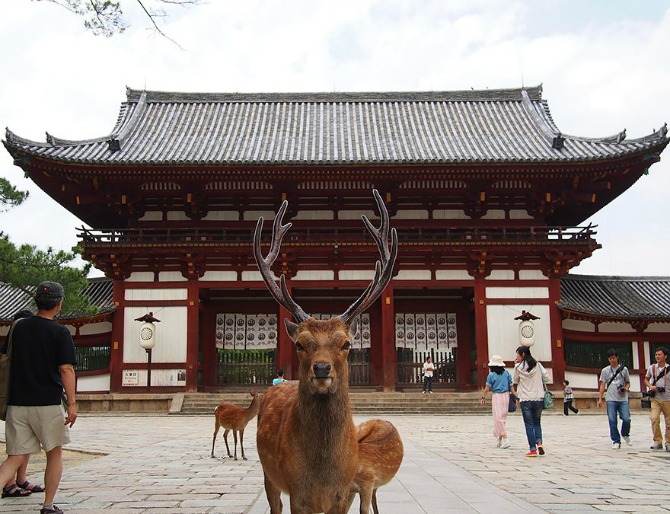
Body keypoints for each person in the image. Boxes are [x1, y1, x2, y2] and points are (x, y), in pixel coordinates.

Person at [0, 281, 78, 514]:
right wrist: (72, 404)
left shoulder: (18, 327)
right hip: (47, 402)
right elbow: (66, 369)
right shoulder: (59, 332)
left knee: (15, 457)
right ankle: (47, 505)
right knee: (54, 453)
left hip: (17, 402)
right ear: (59, 303)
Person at [2, 309, 46, 499]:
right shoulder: (13, 343)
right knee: (17, 446)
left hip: (23, 398)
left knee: (24, 444)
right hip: (17, 399)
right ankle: (9, 483)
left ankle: (21, 478)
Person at [513, 345, 549, 457]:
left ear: (523, 355)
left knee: (529, 424)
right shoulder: (537, 365)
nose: (516, 357)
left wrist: (516, 365)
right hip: (538, 397)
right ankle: (539, 442)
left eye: (517, 354)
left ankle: (532, 449)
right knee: (537, 422)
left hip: (525, 398)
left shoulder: (518, 367)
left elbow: (515, 380)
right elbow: (547, 377)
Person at [597, 348, 632, 450]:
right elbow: (602, 384)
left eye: (614, 358)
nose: (612, 360)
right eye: (610, 358)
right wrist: (600, 398)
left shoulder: (624, 369)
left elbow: (628, 382)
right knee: (612, 420)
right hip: (611, 398)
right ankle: (616, 440)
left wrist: (625, 388)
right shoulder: (605, 371)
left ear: (617, 357)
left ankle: (625, 433)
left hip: (622, 399)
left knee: (626, 418)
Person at [480, 355, 513, 449]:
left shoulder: (491, 375)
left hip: (497, 396)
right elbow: (511, 386)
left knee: (498, 418)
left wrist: (483, 397)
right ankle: (499, 438)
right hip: (506, 395)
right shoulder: (507, 373)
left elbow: (487, 388)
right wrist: (514, 396)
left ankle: (505, 438)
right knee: (502, 417)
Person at [644, 346, 670, 451]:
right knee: (654, 418)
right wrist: (650, 387)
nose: (657, 356)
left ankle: (668, 441)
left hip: (668, 398)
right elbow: (646, 379)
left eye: (659, 354)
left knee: (669, 421)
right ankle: (657, 440)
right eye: (656, 355)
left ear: (665, 356)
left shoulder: (669, 369)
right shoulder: (652, 368)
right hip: (655, 398)